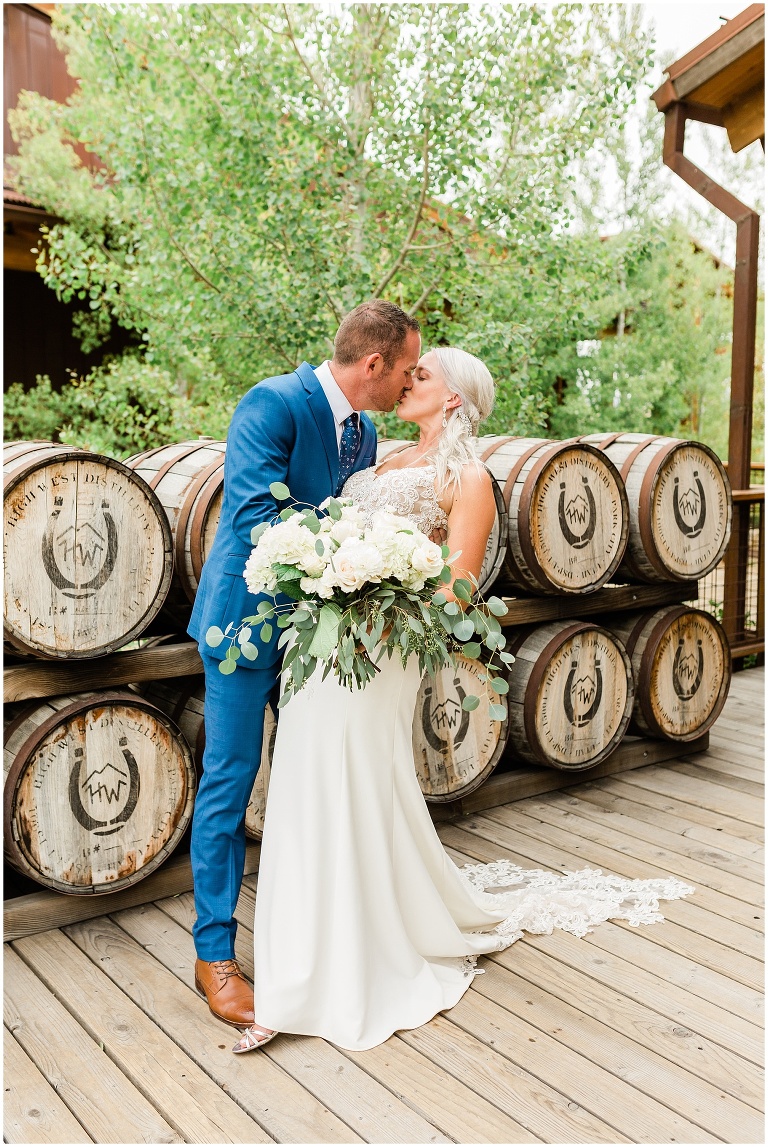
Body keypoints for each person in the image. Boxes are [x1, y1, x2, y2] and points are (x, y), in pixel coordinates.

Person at [234, 346, 693, 1053]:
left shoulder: (467, 477)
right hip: (322, 644)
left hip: (381, 651)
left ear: (452, 400)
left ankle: (323, 976)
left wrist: (382, 599)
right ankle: (299, 962)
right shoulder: (374, 461)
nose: (404, 382)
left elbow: (457, 590)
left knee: (350, 781)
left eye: (420, 376)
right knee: (304, 781)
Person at [187, 300, 421, 1028]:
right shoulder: (273, 402)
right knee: (230, 780)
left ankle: (306, 936)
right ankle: (213, 953)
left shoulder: (369, 429)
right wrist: (353, 546)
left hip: (316, 632)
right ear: (373, 364)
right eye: (406, 370)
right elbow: (255, 515)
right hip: (242, 625)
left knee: (306, 781)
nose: (409, 383)